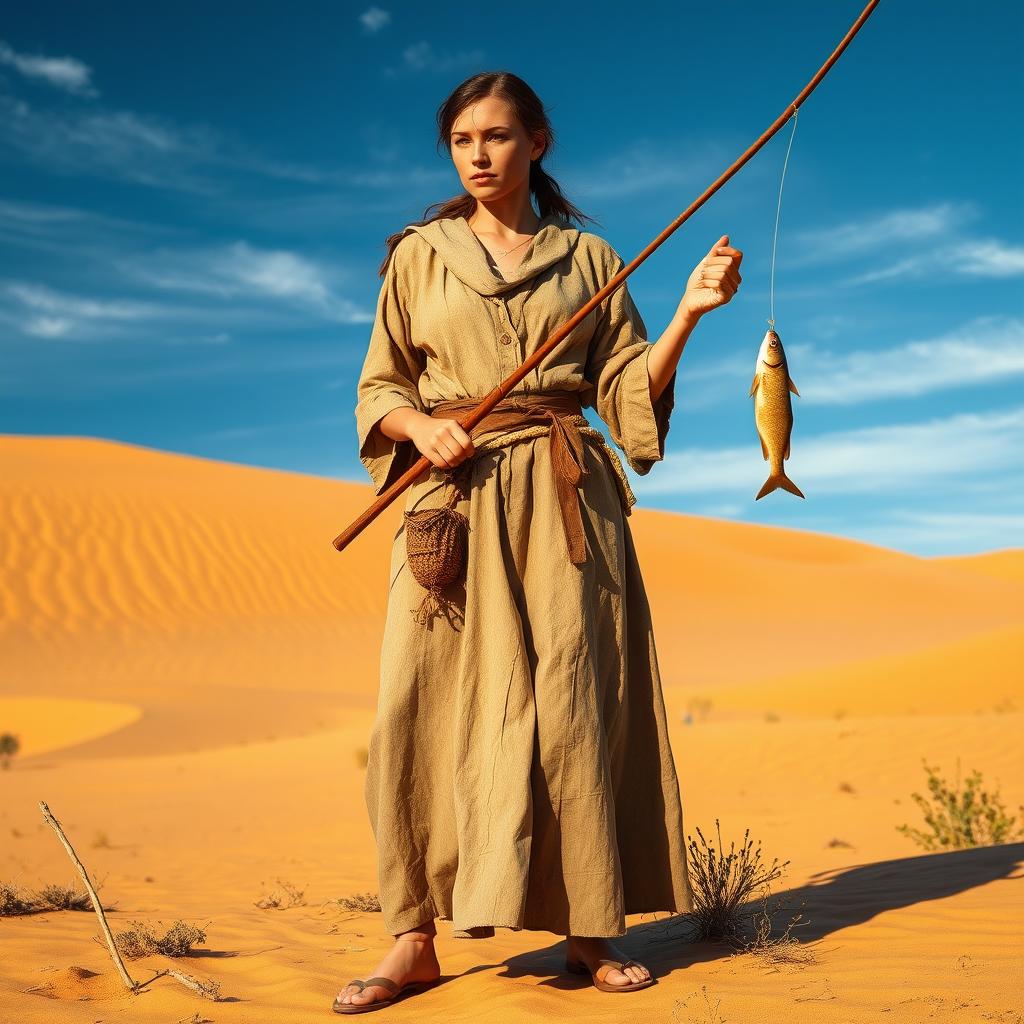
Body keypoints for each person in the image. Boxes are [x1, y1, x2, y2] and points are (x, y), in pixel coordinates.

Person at [334, 71, 741, 1014]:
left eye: (498, 137)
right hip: (450, 503)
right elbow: (377, 387)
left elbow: (626, 392)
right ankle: (413, 936)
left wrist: (686, 311)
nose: (479, 155)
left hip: (567, 498)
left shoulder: (590, 259)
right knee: (415, 705)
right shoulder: (419, 257)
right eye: (462, 141)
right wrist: (414, 428)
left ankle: (590, 929)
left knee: (573, 701)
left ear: (537, 142)